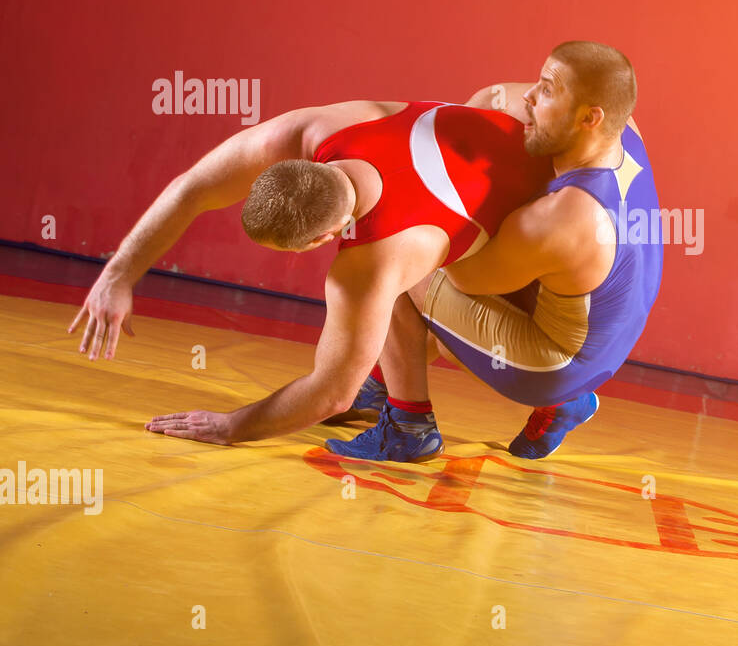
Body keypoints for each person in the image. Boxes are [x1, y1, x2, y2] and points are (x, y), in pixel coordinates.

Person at [70, 94, 551, 457]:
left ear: (324, 238)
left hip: (564, 305)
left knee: (399, 293)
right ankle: (386, 382)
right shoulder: (324, 126)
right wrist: (117, 276)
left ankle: (412, 427)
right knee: (486, 110)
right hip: (565, 180)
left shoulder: (370, 262)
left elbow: (329, 393)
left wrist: (230, 426)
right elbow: (193, 186)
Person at [326, 40, 663, 462]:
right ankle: (381, 382)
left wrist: (433, 191)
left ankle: (408, 427)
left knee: (390, 255)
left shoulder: (561, 217)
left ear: (589, 117)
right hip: (605, 335)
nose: (528, 97)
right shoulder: (622, 127)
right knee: (462, 279)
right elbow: (492, 98)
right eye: (538, 83)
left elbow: (466, 276)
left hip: (554, 365)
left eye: (547, 90)